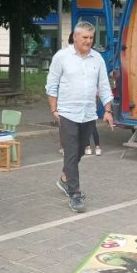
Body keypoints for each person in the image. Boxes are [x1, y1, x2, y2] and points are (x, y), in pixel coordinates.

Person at [46, 21, 114, 213]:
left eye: (91, 38)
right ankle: (74, 194)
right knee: (71, 152)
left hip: (88, 114)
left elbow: (104, 86)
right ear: (75, 37)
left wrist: (108, 111)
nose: (88, 41)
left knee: (80, 152)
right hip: (67, 113)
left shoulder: (97, 58)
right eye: (84, 37)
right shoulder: (62, 57)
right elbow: (51, 85)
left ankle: (64, 178)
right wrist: (54, 110)